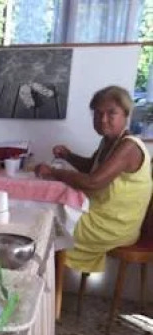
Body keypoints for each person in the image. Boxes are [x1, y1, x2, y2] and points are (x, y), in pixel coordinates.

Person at [35, 85, 153, 273]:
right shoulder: (109, 141)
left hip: (115, 226)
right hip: (102, 216)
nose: (103, 119)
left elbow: (93, 181)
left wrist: (53, 172)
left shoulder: (129, 147)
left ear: (126, 114)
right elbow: (92, 167)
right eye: (98, 113)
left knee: (50, 224)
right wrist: (68, 156)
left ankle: (48, 282)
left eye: (111, 113)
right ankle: (48, 278)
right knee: (50, 216)